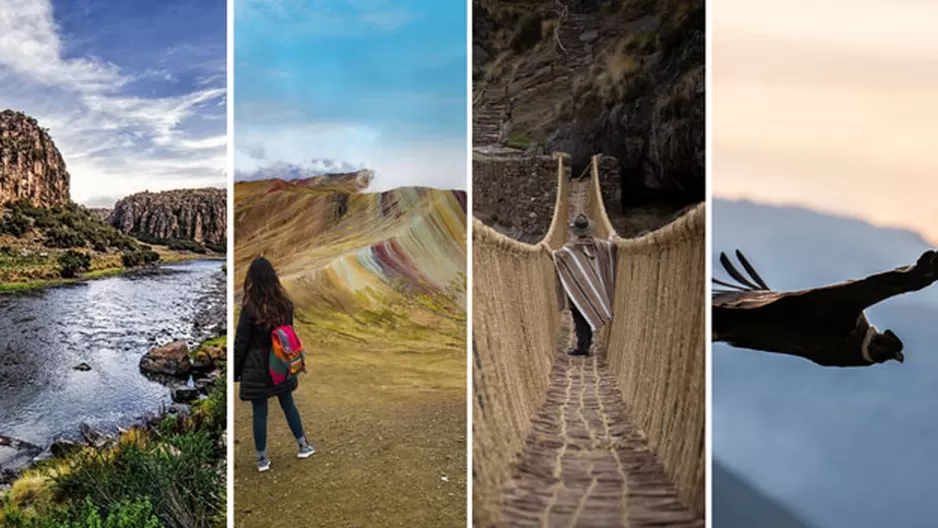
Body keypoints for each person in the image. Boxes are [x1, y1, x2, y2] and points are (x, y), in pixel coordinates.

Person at [234, 256, 315, 472]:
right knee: (288, 403)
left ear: (252, 278)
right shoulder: (284, 304)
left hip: (257, 364)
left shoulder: (250, 307)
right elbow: (288, 333)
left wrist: (236, 370)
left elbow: (241, 341)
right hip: (281, 361)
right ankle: (303, 445)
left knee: (260, 411)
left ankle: (262, 459)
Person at [548, 214, 617, 356]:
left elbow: (556, 257)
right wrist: (612, 236)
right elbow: (612, 247)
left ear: (575, 232)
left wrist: (545, 247)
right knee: (587, 315)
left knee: (579, 318)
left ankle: (582, 348)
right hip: (594, 288)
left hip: (577, 289)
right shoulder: (599, 244)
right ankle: (587, 344)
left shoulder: (570, 248)